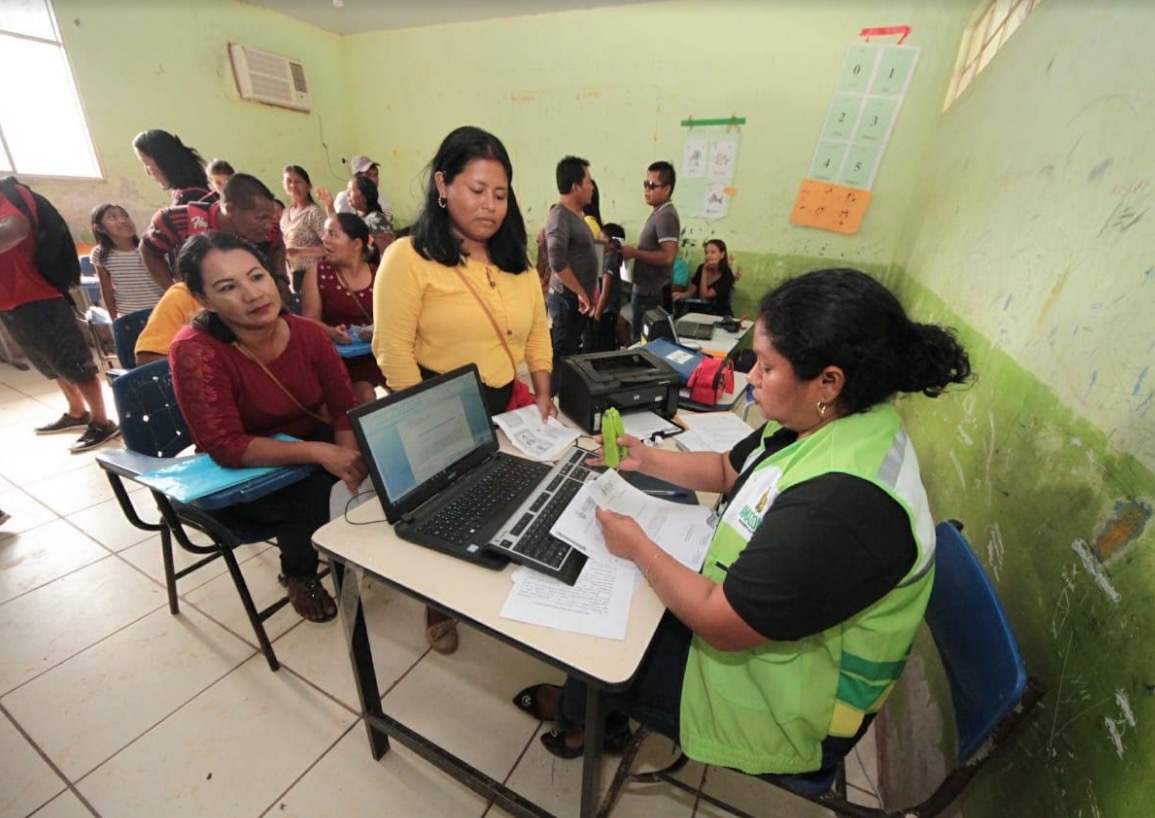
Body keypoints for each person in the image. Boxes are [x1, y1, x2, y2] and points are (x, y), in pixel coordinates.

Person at [512, 268, 973, 774]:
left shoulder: (845, 505)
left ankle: (590, 718)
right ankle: (594, 712)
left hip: (787, 705)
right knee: (626, 606)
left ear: (829, 380)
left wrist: (640, 547)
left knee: (602, 639)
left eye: (767, 368)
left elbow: (720, 624)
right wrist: (645, 460)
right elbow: (729, 469)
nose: (750, 376)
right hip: (763, 630)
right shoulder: (823, 419)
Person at [373, 125, 553, 655]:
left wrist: (543, 394)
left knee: (502, 499)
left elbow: (539, 333)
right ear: (443, 184)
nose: (490, 206)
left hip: (504, 401)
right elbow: (393, 351)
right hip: (438, 407)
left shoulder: (517, 265)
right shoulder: (408, 257)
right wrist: (421, 419)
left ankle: (495, 584)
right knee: (445, 514)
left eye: (500, 194)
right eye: (477, 190)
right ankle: (438, 602)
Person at [169, 231, 367, 622]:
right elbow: (225, 446)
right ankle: (299, 572)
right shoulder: (196, 349)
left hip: (308, 444)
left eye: (256, 276)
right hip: (244, 474)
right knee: (312, 493)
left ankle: (352, 544)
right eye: (228, 287)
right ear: (204, 298)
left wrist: (347, 455)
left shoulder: (309, 334)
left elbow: (344, 406)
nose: (252, 294)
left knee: (371, 458)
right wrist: (322, 453)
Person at [0, 182, 120, 452]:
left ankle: (102, 421)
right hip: (10, 300)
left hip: (37, 294)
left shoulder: (5, 194)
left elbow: (15, 230)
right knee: (50, 363)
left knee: (73, 361)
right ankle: (77, 412)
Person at [140, 172, 287, 295]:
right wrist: (175, 291)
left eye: (271, 217)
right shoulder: (177, 220)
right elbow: (148, 250)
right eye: (261, 218)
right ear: (230, 210)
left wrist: (281, 279)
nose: (268, 225)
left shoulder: (269, 227)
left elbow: (278, 246)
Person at [302, 213, 384, 405]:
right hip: (341, 360)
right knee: (365, 395)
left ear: (356, 245)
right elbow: (308, 320)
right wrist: (331, 332)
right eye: (324, 233)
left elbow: (398, 318)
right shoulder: (317, 273)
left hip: (380, 353)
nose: (324, 238)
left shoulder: (379, 273)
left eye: (332, 234)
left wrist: (377, 332)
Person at [545, 156, 598, 394]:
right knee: (561, 354)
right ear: (575, 186)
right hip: (567, 299)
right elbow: (556, 260)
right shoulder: (560, 215)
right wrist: (579, 291)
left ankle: (565, 397)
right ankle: (553, 403)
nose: (591, 187)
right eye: (588, 181)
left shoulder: (576, 215)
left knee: (569, 352)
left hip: (575, 300)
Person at [622, 161, 680, 342]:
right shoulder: (658, 213)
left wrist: (634, 253)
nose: (647, 190)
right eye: (645, 184)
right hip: (644, 290)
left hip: (650, 293)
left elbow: (668, 256)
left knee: (643, 343)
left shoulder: (666, 216)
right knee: (637, 338)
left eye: (652, 186)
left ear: (667, 189)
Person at [90, 204, 164, 320]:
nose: (123, 221)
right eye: (113, 217)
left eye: (126, 216)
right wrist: (114, 320)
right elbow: (106, 289)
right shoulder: (100, 254)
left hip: (161, 311)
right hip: (129, 316)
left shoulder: (150, 248)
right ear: (100, 228)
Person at [132, 130, 215, 205]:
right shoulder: (199, 192)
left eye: (147, 164)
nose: (148, 172)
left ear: (162, 161)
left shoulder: (190, 200)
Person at [280, 165, 327, 292]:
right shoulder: (285, 214)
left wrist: (300, 251)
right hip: (294, 276)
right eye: (289, 181)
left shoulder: (314, 213)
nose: (293, 186)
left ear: (308, 186)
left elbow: (330, 247)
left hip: (314, 275)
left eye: (298, 182)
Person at [590, 222, 626, 352]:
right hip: (612, 309)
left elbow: (605, 291)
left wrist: (597, 314)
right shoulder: (615, 257)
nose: (599, 242)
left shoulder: (609, 261)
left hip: (606, 310)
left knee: (603, 342)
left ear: (612, 242)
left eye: (602, 239)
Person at [677, 238, 736, 316]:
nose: (708, 255)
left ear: (722, 254)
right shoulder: (701, 268)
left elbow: (704, 297)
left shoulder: (727, 275)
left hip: (718, 315)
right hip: (699, 312)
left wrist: (705, 271)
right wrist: (679, 295)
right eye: (706, 252)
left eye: (713, 252)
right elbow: (690, 293)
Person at [334, 155, 393, 224]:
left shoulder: (380, 195)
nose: (374, 180)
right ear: (356, 178)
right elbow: (340, 226)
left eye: (376, 175)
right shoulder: (344, 198)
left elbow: (387, 222)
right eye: (368, 175)